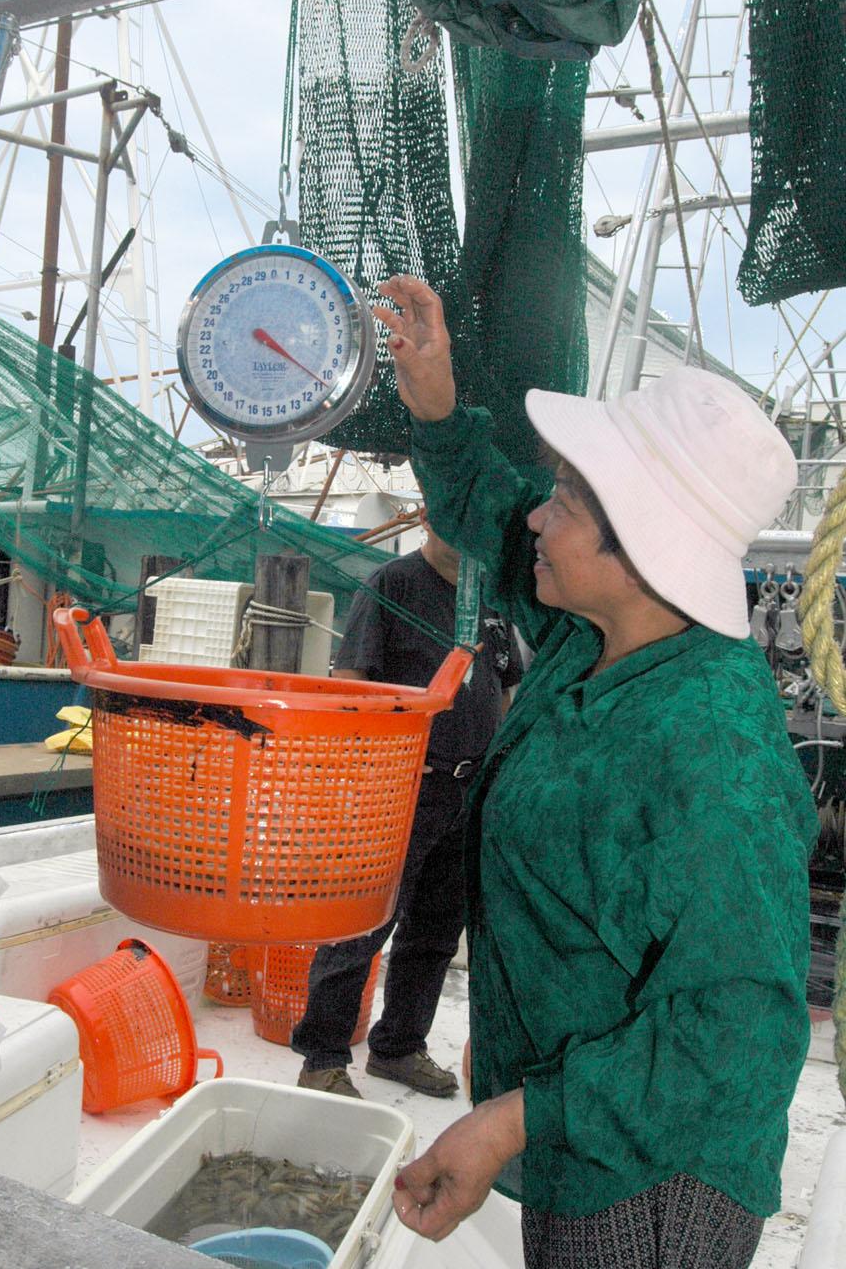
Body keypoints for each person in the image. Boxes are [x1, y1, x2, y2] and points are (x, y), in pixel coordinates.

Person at [374, 274, 817, 1269]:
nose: (539, 518)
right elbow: (493, 508)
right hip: (576, 1132)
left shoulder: (712, 748)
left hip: (653, 1180)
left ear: (639, 548)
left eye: (567, 498)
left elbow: (737, 1031)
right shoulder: (594, 638)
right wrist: (434, 393)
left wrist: (507, 1120)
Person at [293, 507, 521, 1099]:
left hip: (470, 791)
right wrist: (363, 781)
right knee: (359, 925)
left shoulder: (491, 596)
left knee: (437, 930)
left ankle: (397, 1047)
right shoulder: (392, 583)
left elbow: (509, 684)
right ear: (428, 523)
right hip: (401, 786)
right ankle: (321, 1056)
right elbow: (352, 681)